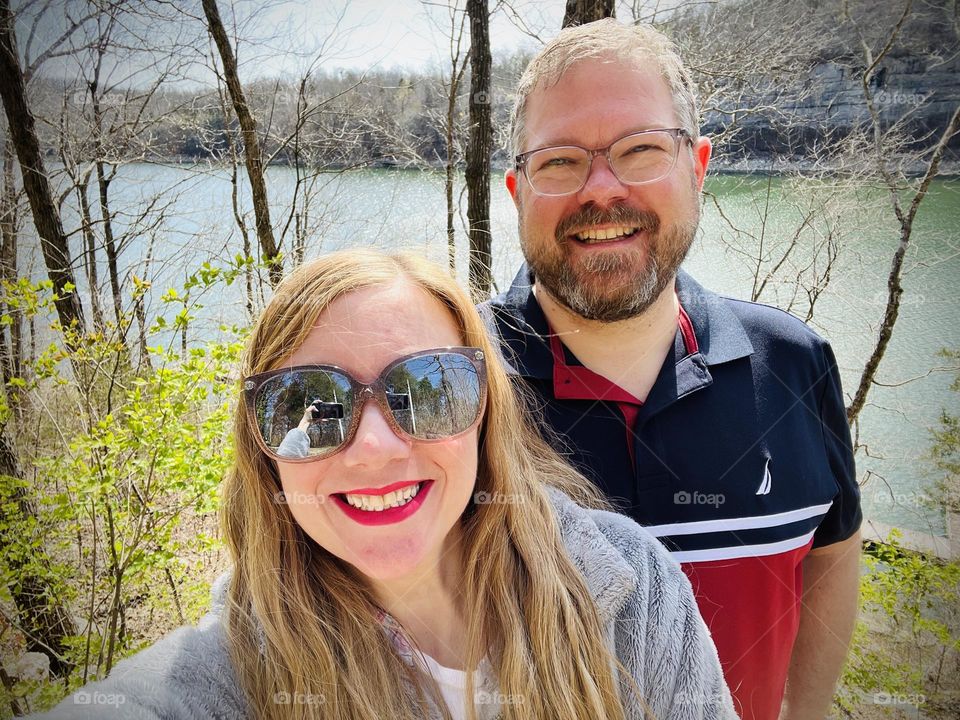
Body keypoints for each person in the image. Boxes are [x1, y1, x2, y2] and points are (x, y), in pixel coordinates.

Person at [33, 249, 737, 720]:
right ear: (262, 445)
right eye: (308, 403)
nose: (374, 447)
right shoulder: (224, 682)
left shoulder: (631, 588)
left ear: (485, 411)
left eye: (425, 391)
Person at [482, 19, 862, 720]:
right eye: (560, 161)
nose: (601, 190)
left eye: (641, 149)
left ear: (699, 167)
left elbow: (831, 553)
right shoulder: (444, 389)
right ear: (517, 190)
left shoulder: (793, 364)